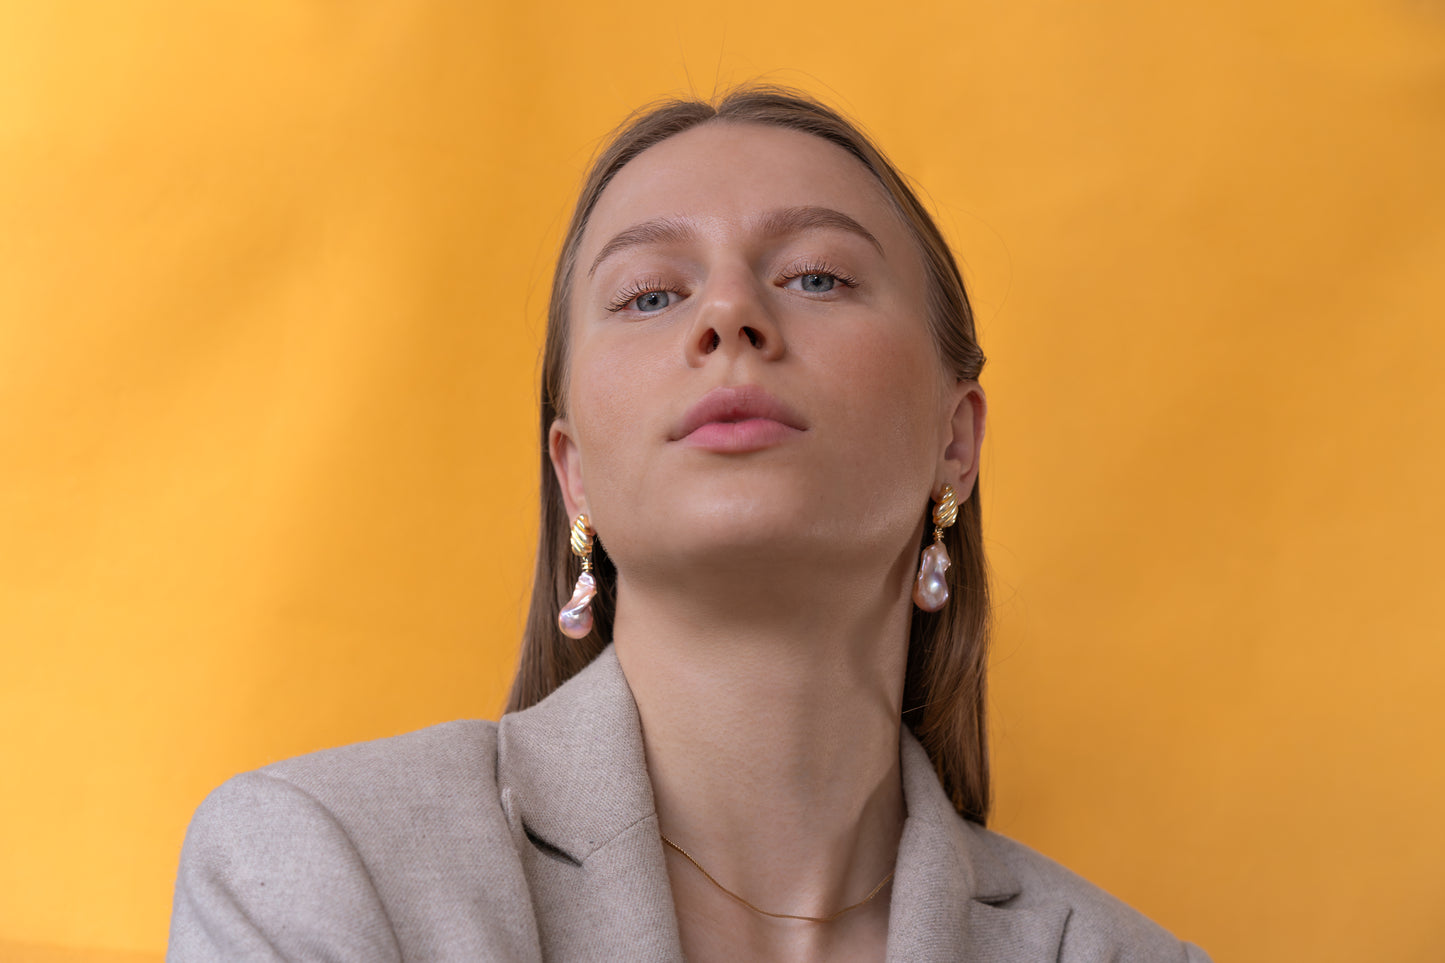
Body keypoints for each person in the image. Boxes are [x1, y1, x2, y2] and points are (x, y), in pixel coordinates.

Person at [169, 85, 1211, 962]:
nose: (728, 317)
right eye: (649, 294)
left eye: (816, 275)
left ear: (955, 440)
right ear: (572, 477)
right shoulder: (322, 865)